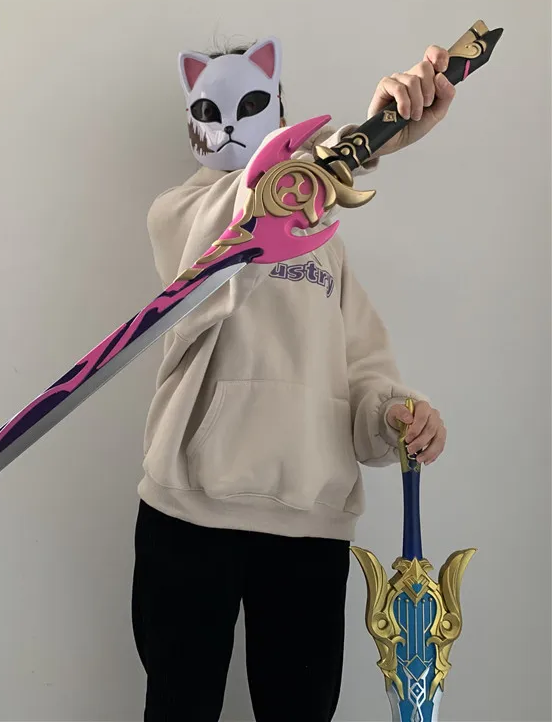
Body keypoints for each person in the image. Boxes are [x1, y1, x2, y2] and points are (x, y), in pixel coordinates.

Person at [132, 36, 455, 721]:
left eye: (252, 104)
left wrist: (395, 413)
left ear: (282, 114)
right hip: (190, 512)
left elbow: (363, 367)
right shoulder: (180, 215)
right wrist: (362, 142)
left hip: (310, 522)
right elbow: (239, 227)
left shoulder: (325, 245)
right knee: (178, 706)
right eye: (210, 108)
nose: (229, 124)